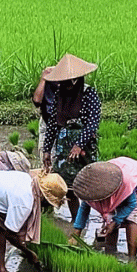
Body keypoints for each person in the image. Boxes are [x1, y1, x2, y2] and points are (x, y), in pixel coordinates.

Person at [33, 53, 101, 222]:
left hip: (84, 146)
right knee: (68, 186)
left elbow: (93, 123)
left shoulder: (89, 94)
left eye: (72, 81)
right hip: (64, 147)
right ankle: (75, 220)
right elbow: (53, 124)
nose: (68, 85)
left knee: (87, 183)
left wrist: (79, 144)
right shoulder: (59, 95)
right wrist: (47, 149)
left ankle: (97, 217)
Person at [69, 158, 137, 260]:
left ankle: (132, 259)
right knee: (109, 218)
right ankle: (110, 254)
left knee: (131, 218)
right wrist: (76, 233)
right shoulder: (90, 187)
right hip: (120, 171)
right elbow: (84, 208)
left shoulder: (125, 182)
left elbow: (131, 204)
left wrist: (116, 221)